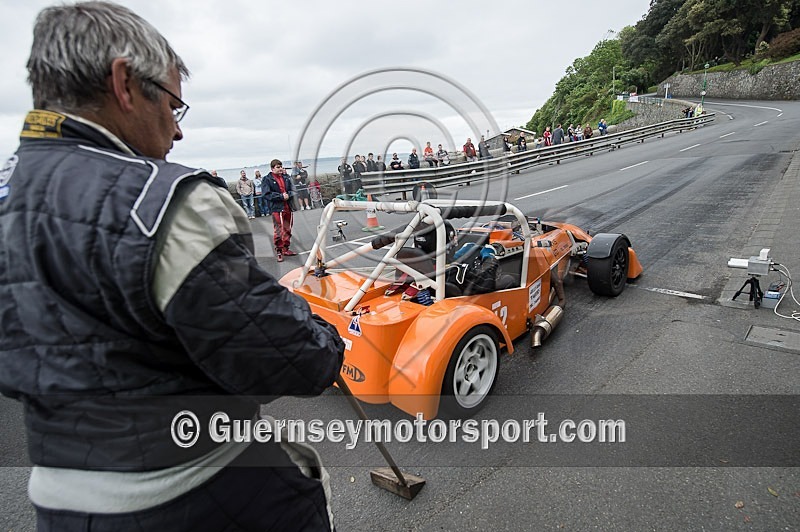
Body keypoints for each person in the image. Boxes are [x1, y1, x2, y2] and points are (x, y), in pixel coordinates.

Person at [0, 3, 344, 531]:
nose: (177, 133)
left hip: (60, 501)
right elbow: (289, 360)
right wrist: (321, 331)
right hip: (201, 494)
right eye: (172, 104)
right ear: (124, 83)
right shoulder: (166, 203)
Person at [264, 159, 296, 262]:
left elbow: (293, 190)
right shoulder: (267, 179)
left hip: (288, 207)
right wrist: (280, 196)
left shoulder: (287, 178)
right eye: (278, 167)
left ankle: (286, 248)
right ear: (272, 168)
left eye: (281, 166)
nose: (280, 169)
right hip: (277, 209)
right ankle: (279, 250)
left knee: (287, 228)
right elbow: (266, 194)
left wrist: (288, 195)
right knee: (278, 230)